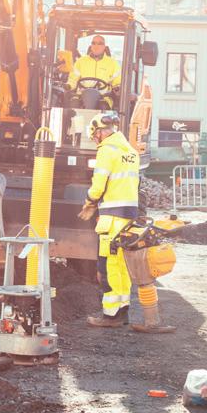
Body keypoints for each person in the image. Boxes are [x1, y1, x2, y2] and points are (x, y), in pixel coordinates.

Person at [77, 112, 174, 332]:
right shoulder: (130, 152)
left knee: (108, 267)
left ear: (101, 131)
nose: (95, 140)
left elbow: (99, 184)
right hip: (128, 216)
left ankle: (112, 315)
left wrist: (89, 202)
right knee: (121, 266)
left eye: (95, 135)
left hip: (111, 217)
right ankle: (121, 313)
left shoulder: (106, 151)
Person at [67, 36, 121, 105]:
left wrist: (117, 88)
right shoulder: (80, 62)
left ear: (104, 47)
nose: (96, 46)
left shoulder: (113, 63)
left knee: (103, 106)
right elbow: (73, 80)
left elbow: (117, 83)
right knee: (73, 104)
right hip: (81, 96)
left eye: (100, 43)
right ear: (91, 46)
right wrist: (68, 86)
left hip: (103, 98)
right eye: (94, 43)